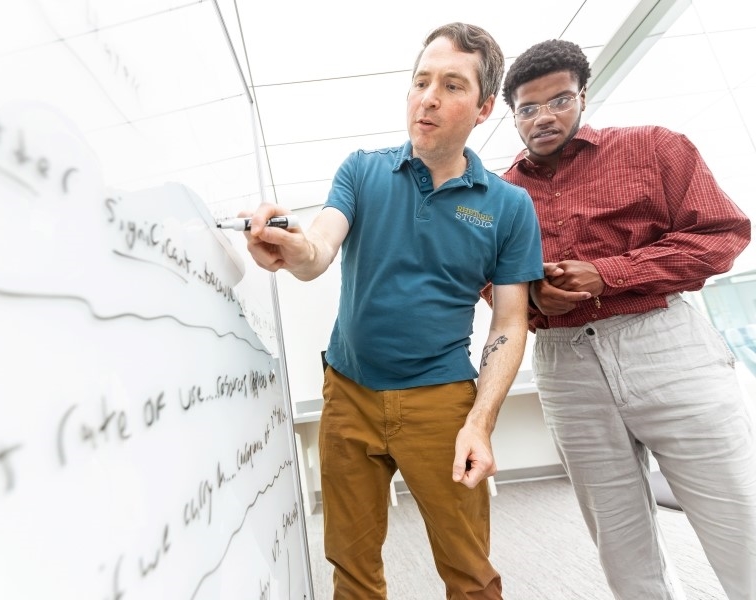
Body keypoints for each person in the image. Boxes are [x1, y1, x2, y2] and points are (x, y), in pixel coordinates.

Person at [240, 22, 543, 599]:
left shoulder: (508, 206)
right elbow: (319, 249)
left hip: (444, 403)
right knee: (352, 574)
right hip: (349, 394)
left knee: (471, 574)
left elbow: (509, 321)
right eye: (420, 81)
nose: (428, 97)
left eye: (452, 85)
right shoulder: (363, 170)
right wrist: (294, 246)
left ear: (482, 110)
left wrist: (479, 422)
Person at [497, 39, 756, 599]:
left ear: (583, 96)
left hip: (663, 339)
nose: (544, 117)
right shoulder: (496, 194)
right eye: (528, 108)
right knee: (618, 539)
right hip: (565, 362)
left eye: (559, 100)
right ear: (512, 115)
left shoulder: (654, 147)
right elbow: (489, 283)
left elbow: (721, 235)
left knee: (738, 516)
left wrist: (607, 273)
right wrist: (537, 298)